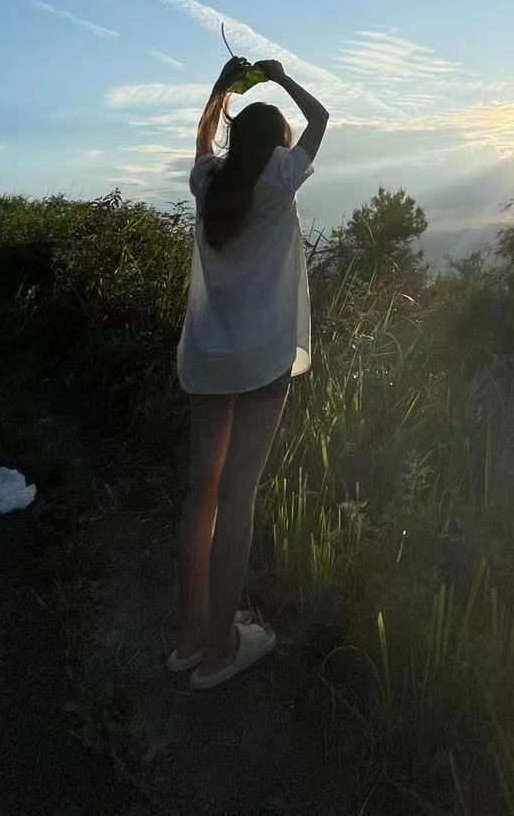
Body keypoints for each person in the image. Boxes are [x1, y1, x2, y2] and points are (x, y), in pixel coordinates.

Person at [169, 55, 329, 690]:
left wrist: (222, 86)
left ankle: (189, 634)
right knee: (239, 495)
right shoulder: (281, 177)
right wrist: (279, 76)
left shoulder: (210, 180)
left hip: (207, 356)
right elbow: (321, 115)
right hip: (263, 358)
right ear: (277, 143)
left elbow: (206, 137)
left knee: (199, 491)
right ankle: (222, 647)